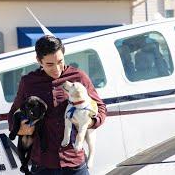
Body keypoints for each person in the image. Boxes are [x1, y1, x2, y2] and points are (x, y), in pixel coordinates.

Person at [7, 35, 107, 175]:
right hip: (42, 166)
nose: (57, 69)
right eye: (49, 64)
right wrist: (19, 129)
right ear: (39, 61)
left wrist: (89, 122)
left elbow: (101, 108)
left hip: (75, 164)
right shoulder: (28, 82)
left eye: (60, 61)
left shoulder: (79, 77)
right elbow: (12, 114)